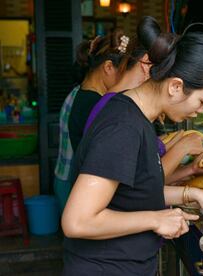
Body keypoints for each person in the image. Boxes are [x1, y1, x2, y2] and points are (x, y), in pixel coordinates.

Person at [61, 16, 203, 275]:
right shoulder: (122, 127)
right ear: (176, 86)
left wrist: (195, 195)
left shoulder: (137, 118)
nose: (200, 111)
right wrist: (155, 219)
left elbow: (133, 193)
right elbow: (77, 221)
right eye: (202, 101)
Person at [54, 29, 140, 213]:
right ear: (108, 67)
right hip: (78, 186)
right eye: (125, 72)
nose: (128, 79)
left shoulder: (82, 93)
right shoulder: (91, 103)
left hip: (69, 179)